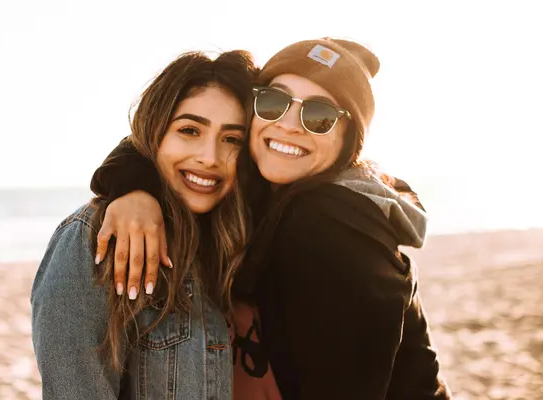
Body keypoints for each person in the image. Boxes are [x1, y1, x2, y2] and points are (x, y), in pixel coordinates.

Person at [91, 38, 452, 399]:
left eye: (319, 116)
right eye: (274, 102)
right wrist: (134, 188)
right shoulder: (259, 187)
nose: (290, 125)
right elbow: (153, 135)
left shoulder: (334, 230)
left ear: (348, 141)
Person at [30, 49, 277, 399]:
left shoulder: (234, 239)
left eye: (232, 139)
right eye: (189, 130)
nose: (210, 157)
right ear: (154, 132)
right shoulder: (93, 239)